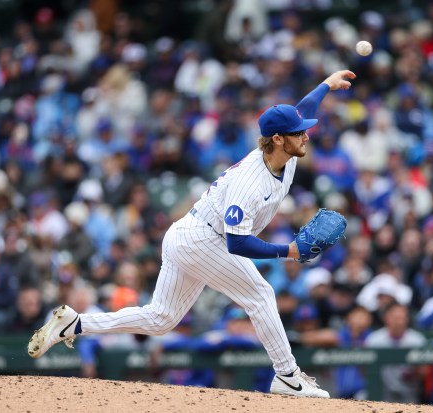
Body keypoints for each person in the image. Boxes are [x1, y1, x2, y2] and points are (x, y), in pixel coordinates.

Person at [28, 70, 357, 398]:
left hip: (189, 234)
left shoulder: (285, 150)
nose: (307, 135)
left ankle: (74, 324)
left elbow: (300, 109)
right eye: (299, 133)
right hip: (203, 238)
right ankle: (287, 375)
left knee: (161, 319)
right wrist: (289, 251)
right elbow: (237, 243)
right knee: (261, 295)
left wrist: (326, 84)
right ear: (278, 139)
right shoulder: (250, 184)